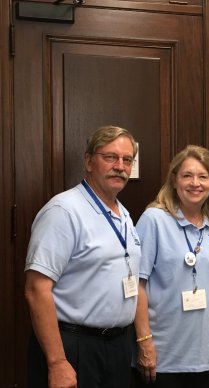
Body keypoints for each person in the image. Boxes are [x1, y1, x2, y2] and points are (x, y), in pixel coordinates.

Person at [24, 125, 140, 387]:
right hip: (74, 347)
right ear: (89, 161)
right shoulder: (63, 211)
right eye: (110, 157)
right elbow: (36, 289)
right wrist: (57, 362)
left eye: (127, 160)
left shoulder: (123, 214)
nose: (120, 166)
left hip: (117, 345)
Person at [132, 145, 209, 388]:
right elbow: (137, 285)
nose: (195, 183)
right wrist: (144, 342)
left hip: (205, 354)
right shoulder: (154, 219)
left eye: (203, 176)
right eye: (187, 175)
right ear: (174, 181)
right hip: (162, 356)